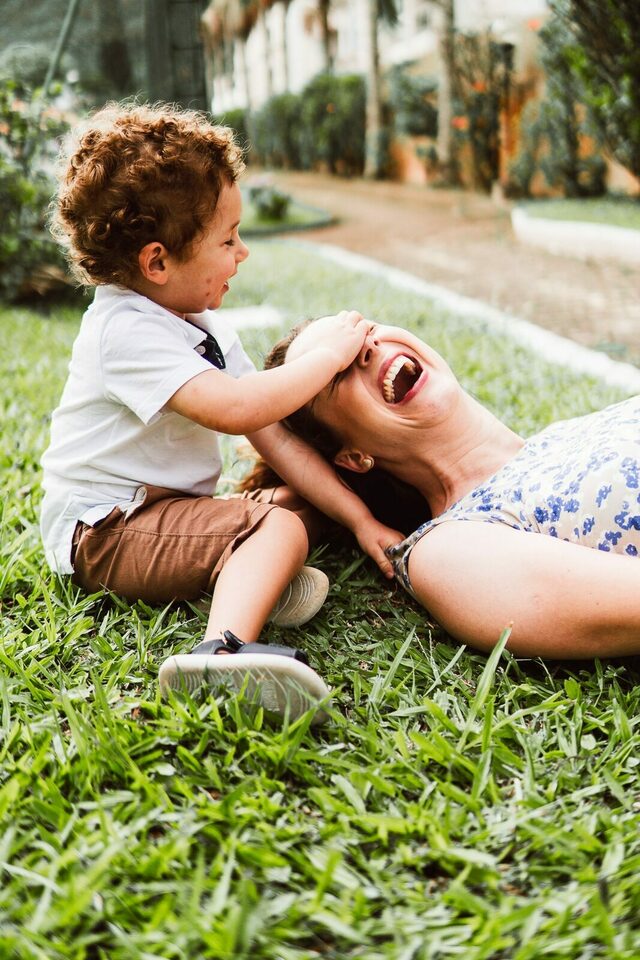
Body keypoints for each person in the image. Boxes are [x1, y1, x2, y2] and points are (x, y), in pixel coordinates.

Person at [40, 103, 401, 720]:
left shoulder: (199, 323)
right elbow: (237, 409)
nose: (243, 253)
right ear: (158, 262)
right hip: (103, 533)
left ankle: (248, 574)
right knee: (276, 528)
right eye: (228, 240)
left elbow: (274, 437)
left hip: (161, 512)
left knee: (302, 504)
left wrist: (362, 521)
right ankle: (221, 654)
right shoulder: (123, 330)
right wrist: (327, 358)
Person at [251, 318, 640, 660]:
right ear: (354, 457)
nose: (365, 347)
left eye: (361, 329)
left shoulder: (563, 436)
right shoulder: (445, 550)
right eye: (336, 369)